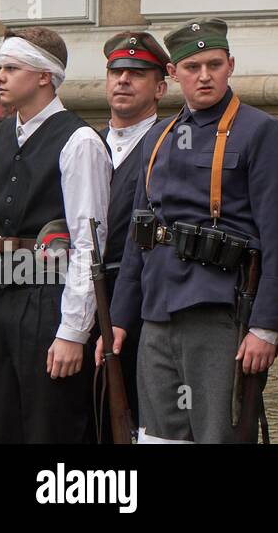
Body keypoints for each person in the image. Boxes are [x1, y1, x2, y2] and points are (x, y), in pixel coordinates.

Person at [103, 18, 278, 443]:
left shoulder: (261, 132)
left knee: (219, 435)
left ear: (230, 65)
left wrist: (265, 326)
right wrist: (119, 318)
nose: (205, 76)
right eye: (192, 67)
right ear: (174, 74)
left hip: (219, 311)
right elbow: (140, 237)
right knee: (159, 437)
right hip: (156, 312)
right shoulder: (157, 138)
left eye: (214, 64)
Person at [0, 27, 111, 443]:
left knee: (50, 426)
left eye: (10, 67)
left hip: (47, 302)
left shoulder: (79, 141)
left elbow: (88, 242)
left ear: (44, 76)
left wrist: (72, 331)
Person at [94, 30, 170, 440]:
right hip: (83, 299)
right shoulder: (82, 143)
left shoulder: (172, 144)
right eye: (116, 71)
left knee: (139, 419)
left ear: (160, 87)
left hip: (142, 303)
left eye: (136, 73)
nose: (123, 80)